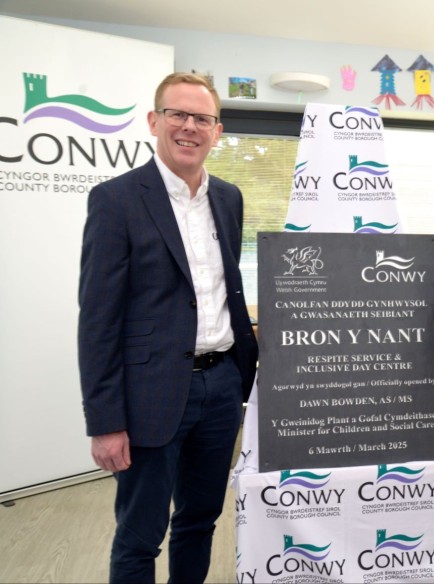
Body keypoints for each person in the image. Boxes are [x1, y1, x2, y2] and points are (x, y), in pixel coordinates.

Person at [77, 72, 258, 583]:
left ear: (217, 131)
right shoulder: (116, 199)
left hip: (222, 387)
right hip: (150, 394)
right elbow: (98, 319)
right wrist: (105, 421)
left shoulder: (229, 197)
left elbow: (223, 289)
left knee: (200, 521)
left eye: (201, 118)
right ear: (154, 121)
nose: (189, 127)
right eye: (177, 114)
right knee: (139, 535)